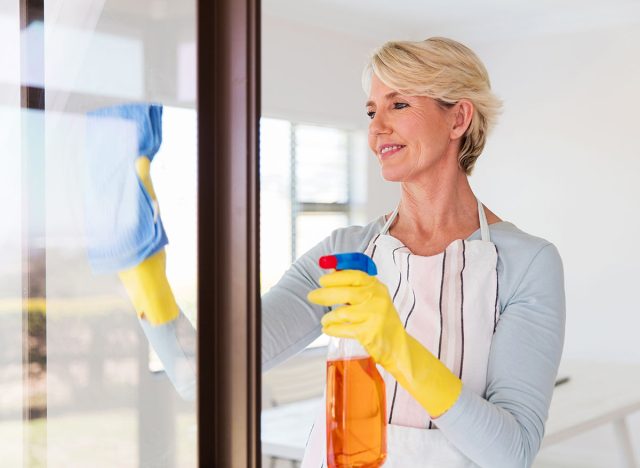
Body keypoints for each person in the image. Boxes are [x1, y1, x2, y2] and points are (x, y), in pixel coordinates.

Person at [139, 37, 565, 467]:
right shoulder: (343, 254)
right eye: (370, 111)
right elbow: (203, 377)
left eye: (398, 105)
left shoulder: (525, 263)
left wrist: (397, 347)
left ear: (458, 118)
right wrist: (145, 274)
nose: (376, 128)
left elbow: (512, 453)